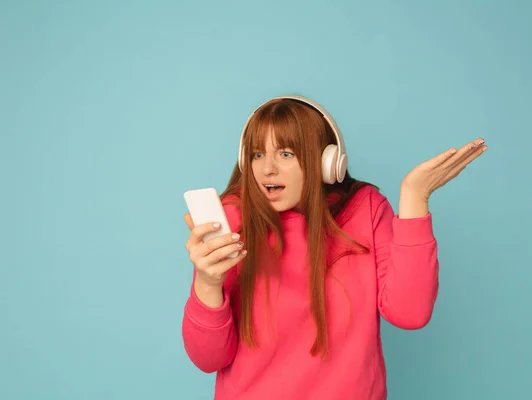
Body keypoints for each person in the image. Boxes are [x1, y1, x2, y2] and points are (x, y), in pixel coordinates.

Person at [180, 95, 487, 400]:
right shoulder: (233, 220)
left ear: (327, 161)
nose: (267, 169)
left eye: (286, 154)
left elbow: (410, 313)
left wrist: (414, 199)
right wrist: (208, 282)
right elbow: (209, 359)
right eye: (257, 155)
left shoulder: (364, 209)